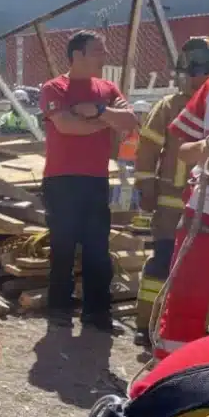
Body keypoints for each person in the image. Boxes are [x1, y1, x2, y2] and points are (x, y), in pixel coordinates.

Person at [38, 30, 138, 332]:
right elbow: (67, 127)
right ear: (77, 55)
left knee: (97, 248)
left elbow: (131, 122)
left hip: (95, 179)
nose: (103, 56)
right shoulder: (55, 87)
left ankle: (97, 314)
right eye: (97, 51)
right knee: (63, 246)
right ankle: (59, 310)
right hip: (61, 179)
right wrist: (106, 121)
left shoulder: (106, 89)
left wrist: (98, 111)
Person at [132, 37, 209, 347]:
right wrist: (146, 185)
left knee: (199, 275)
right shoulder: (168, 107)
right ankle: (146, 324)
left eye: (200, 70)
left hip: (201, 200)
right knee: (162, 263)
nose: (194, 78)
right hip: (171, 201)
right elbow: (148, 149)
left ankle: (197, 332)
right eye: (191, 71)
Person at [153, 73, 209, 359]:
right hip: (205, 214)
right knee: (185, 305)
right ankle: (171, 383)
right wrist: (205, 148)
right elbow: (185, 151)